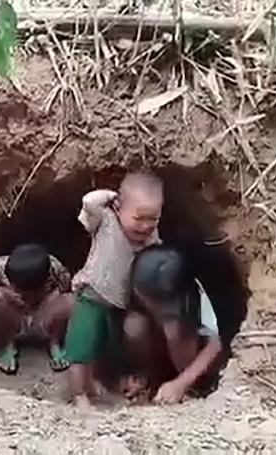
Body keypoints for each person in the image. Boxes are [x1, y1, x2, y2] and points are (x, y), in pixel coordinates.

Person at [64, 172, 163, 410]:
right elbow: (89, 202)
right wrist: (111, 195)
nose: (146, 226)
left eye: (154, 219)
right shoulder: (106, 221)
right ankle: (79, 395)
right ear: (118, 208)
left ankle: (97, 383)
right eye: (139, 218)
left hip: (119, 304)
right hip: (91, 297)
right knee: (81, 349)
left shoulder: (150, 238)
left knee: (105, 347)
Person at [123, 245, 223, 404]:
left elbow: (215, 343)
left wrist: (181, 382)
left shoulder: (196, 296)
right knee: (134, 326)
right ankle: (145, 379)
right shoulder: (134, 286)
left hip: (185, 349)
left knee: (175, 332)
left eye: (163, 303)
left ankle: (194, 388)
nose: (157, 307)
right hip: (153, 345)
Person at [0, 244, 73, 374]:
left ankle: (55, 343)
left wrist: (46, 299)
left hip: (44, 310)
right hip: (16, 312)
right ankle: (7, 344)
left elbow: (66, 288)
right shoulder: (0, 266)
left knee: (70, 301)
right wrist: (7, 293)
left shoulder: (55, 268)